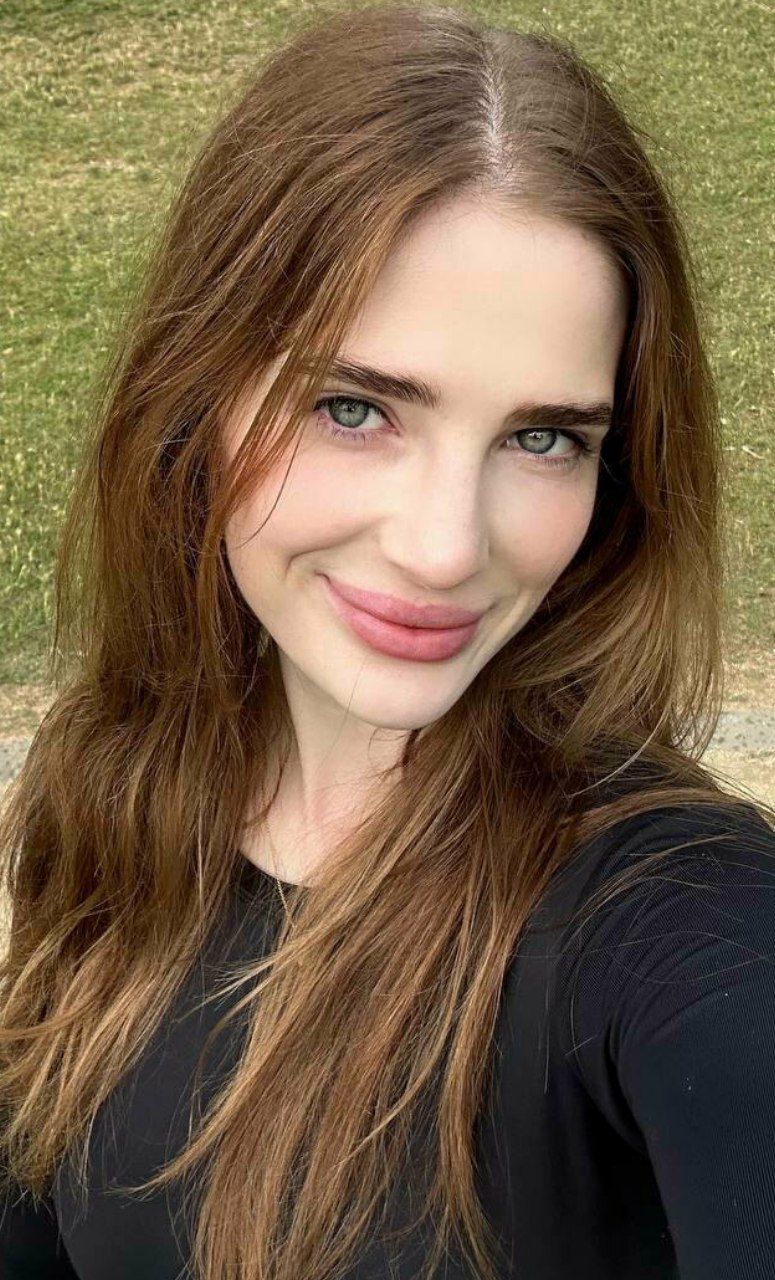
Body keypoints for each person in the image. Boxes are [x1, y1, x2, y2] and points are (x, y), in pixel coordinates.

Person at [1, 4, 773, 1278]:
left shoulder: (669, 912)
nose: (442, 547)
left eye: (542, 438)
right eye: (355, 408)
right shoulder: (112, 794)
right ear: (196, 392)